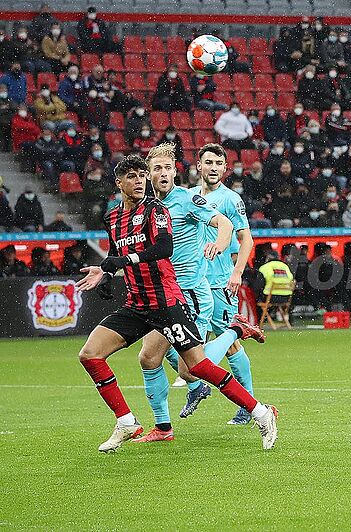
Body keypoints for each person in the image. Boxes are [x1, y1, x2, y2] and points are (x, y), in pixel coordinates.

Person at [73, 155, 277, 452]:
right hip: (137, 304)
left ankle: (260, 411)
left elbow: (163, 248)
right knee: (93, 355)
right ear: (118, 182)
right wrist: (105, 273)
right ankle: (129, 422)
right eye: (133, 176)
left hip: (168, 301)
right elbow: (117, 253)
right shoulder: (112, 218)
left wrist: (123, 261)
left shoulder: (157, 210)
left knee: (195, 368)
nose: (139, 181)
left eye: (143, 175)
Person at [132, 143, 236, 442]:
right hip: (163, 294)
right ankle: (163, 428)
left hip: (190, 295)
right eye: (157, 169)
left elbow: (224, 223)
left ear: (175, 171)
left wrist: (219, 244)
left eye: (168, 168)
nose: (164, 173)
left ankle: (235, 331)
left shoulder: (188, 199)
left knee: (190, 370)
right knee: (148, 358)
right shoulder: (144, 207)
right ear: (148, 174)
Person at [189, 144, 258, 425]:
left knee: (230, 345)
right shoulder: (189, 196)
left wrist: (237, 273)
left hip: (219, 284)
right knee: (173, 340)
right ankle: (195, 386)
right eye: (209, 162)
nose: (214, 167)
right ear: (199, 166)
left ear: (225, 168)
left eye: (219, 163)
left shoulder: (230, 199)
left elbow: (246, 238)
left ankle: (248, 405)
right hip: (191, 282)